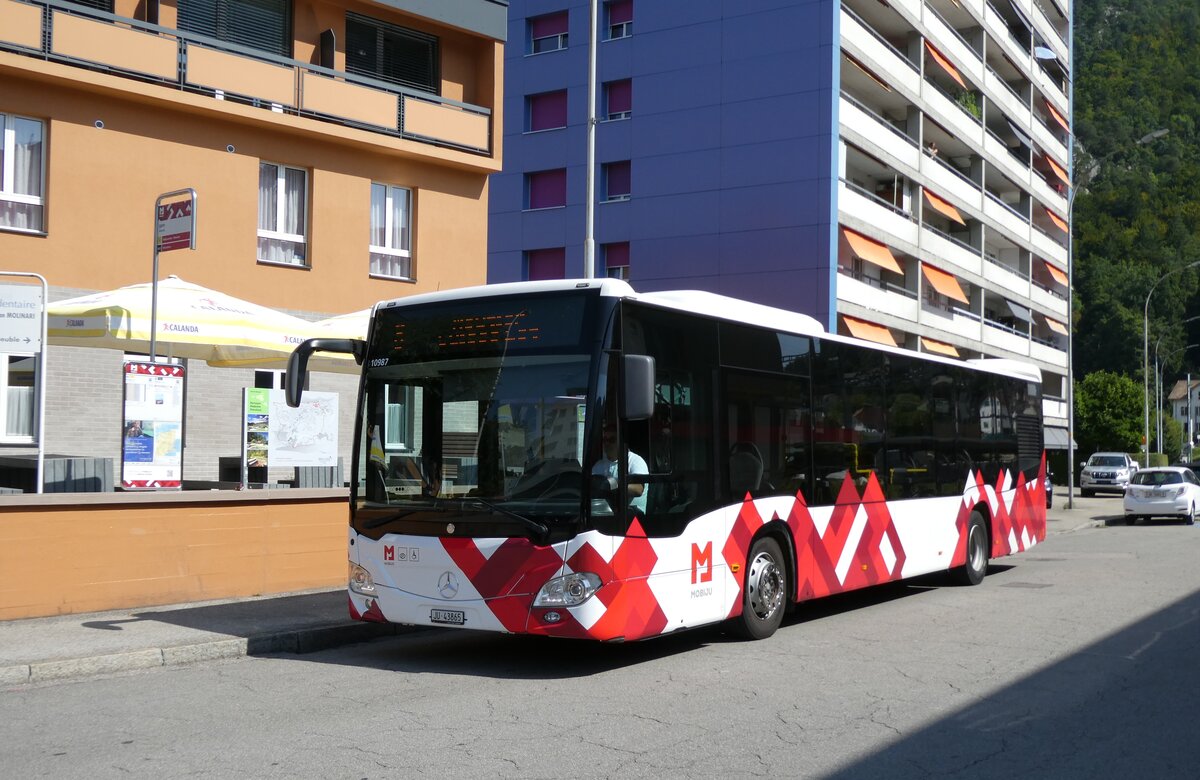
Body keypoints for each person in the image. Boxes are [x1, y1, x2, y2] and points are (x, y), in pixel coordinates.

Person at [592, 425, 648, 514]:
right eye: (605, 440)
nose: (607, 443)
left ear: (621, 442)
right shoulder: (598, 465)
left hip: (634, 516)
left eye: (612, 440)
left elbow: (638, 489)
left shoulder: (635, 461)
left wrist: (612, 484)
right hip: (606, 514)